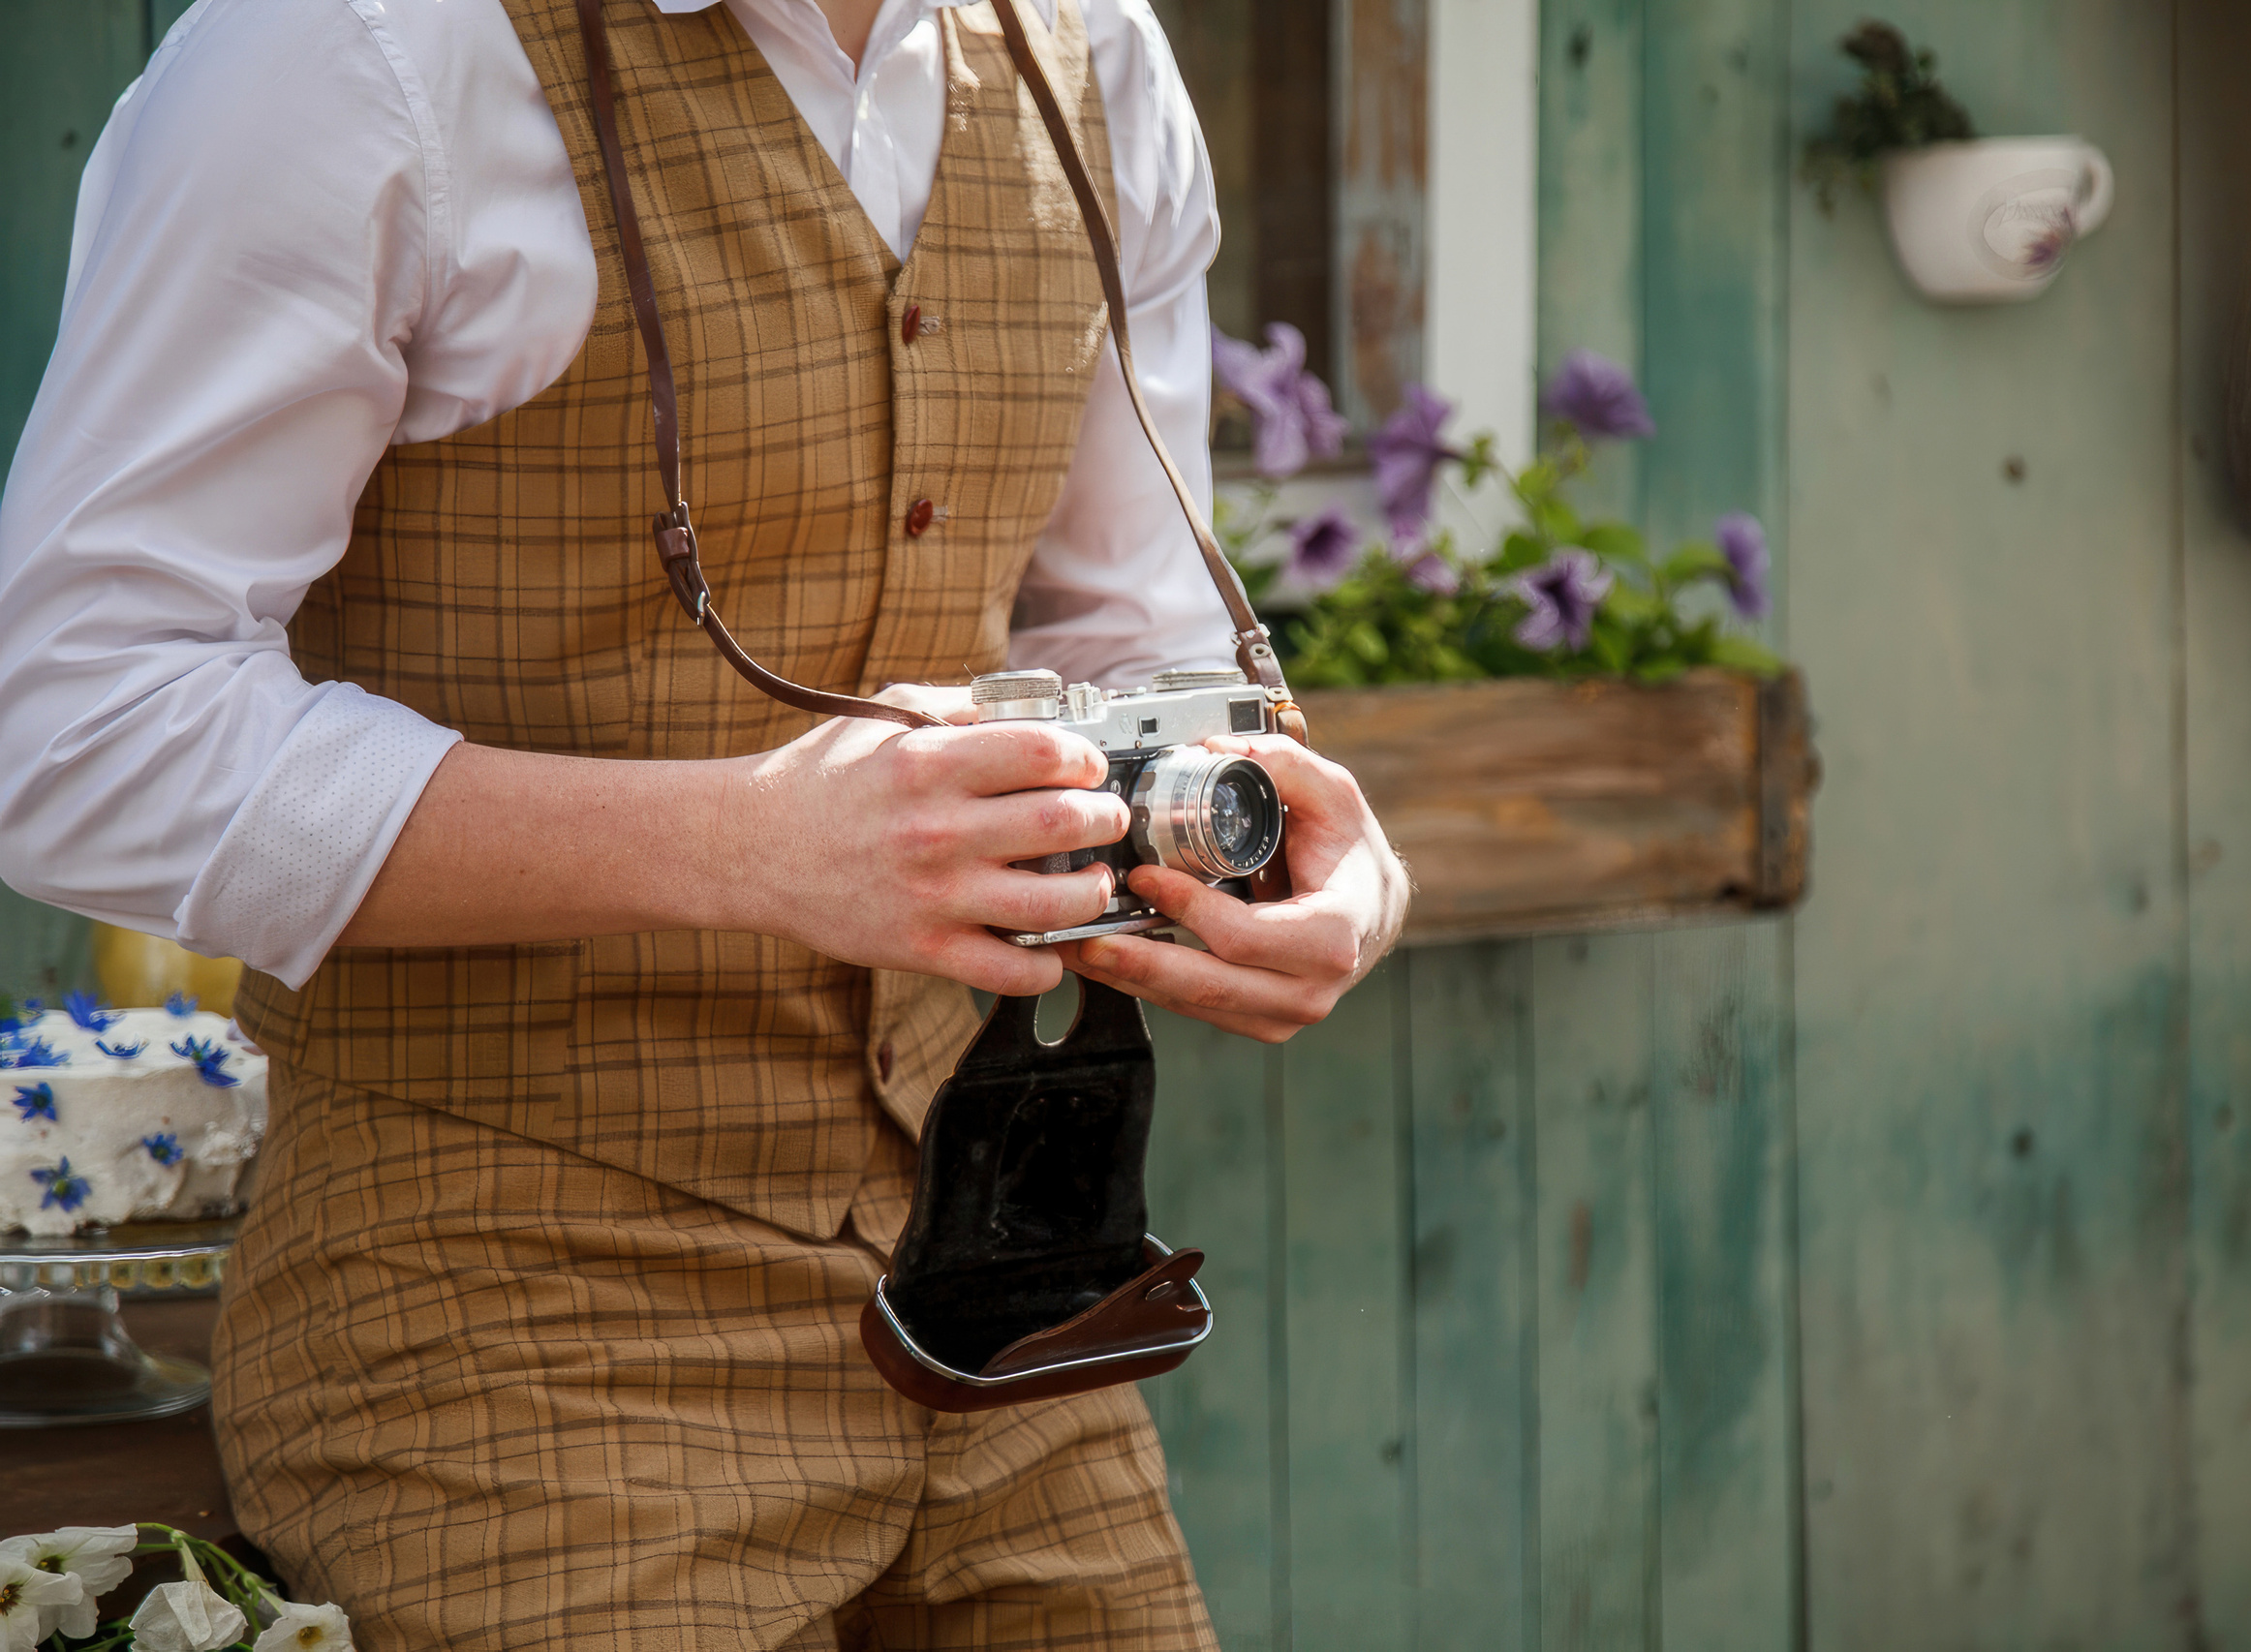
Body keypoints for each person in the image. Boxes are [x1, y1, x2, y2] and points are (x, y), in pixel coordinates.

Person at [0, 0, 1408, 1644]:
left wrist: (1327, 866)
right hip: (500, 1332)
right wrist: (743, 841)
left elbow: (1125, 644)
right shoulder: (351, 51)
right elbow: (70, 722)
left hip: (1002, 1300)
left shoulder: (1091, 52)